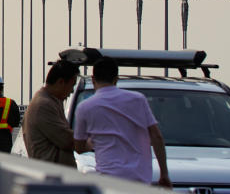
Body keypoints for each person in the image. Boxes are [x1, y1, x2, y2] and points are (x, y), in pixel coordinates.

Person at [73, 58, 171, 187]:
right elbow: (156, 136)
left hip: (108, 181)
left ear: (93, 79)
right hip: (138, 180)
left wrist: (92, 143)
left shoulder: (85, 107)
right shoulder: (138, 99)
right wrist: (164, 174)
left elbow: (79, 147)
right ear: (116, 79)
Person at [23, 60, 79, 166]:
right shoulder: (44, 105)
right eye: (72, 85)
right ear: (61, 82)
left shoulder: (52, 101)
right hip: (51, 175)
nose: (72, 91)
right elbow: (67, 140)